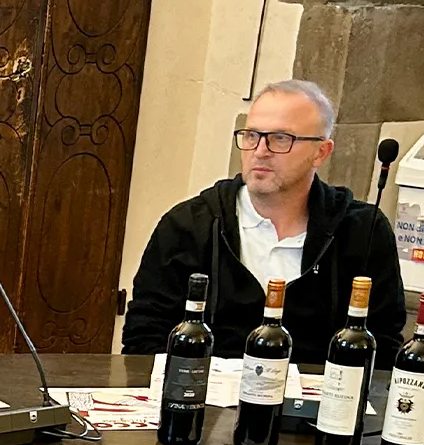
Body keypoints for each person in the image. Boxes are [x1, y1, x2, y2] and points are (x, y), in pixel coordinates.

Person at [122, 79, 407, 364]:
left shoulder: (363, 232)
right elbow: (144, 340)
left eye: (280, 138)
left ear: (321, 152)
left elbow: (381, 346)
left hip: (317, 403)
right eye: (251, 136)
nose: (260, 151)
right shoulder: (188, 226)